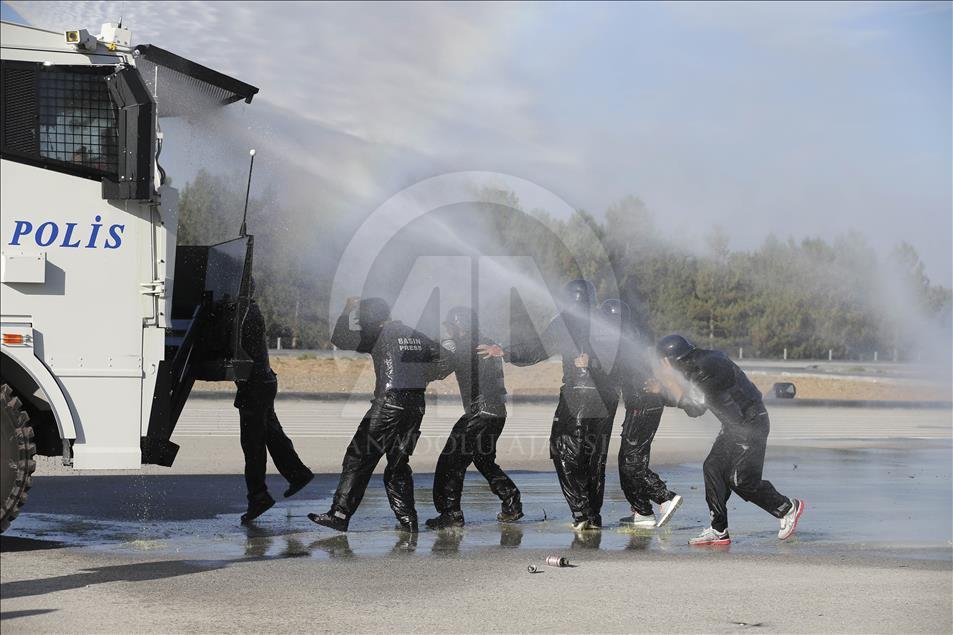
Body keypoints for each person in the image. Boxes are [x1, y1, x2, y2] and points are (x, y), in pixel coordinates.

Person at [479, 279, 614, 530]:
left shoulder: (565, 322)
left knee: (563, 450)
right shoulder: (607, 322)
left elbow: (536, 350)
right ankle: (593, 515)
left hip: (578, 396)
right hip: (607, 400)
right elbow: (624, 355)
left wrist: (505, 351)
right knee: (595, 457)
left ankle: (582, 513)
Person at [653, 334, 804, 545]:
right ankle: (718, 530)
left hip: (751, 425)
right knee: (713, 468)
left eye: (664, 364)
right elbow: (696, 401)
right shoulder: (698, 363)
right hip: (734, 426)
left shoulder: (705, 369)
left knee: (741, 480)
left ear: (673, 361)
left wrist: (669, 382)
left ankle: (787, 508)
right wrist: (664, 390)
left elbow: (694, 408)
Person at [308, 297, 443, 533]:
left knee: (358, 457)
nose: (360, 325)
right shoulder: (416, 335)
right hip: (416, 407)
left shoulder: (377, 333)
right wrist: (423, 376)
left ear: (371, 318)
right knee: (398, 464)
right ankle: (409, 521)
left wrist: (347, 310)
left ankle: (339, 515)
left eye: (361, 319)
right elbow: (443, 357)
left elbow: (340, 338)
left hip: (388, 406)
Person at [426, 307, 522, 529]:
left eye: (450, 327)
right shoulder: (487, 343)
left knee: (450, 462)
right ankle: (512, 502)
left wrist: (442, 349)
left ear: (459, 327)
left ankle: (451, 514)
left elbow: (437, 372)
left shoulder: (465, 346)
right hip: (497, 413)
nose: (448, 331)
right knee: (483, 459)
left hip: (479, 414)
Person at [596, 299, 682, 529]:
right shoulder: (633, 336)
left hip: (642, 407)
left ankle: (664, 497)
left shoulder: (623, 341)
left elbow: (611, 370)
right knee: (628, 460)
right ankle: (642, 512)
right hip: (642, 405)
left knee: (631, 462)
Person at [234, 287, 313, 524]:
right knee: (271, 434)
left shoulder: (245, 311)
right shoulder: (250, 309)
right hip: (261, 382)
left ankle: (259, 496)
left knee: (253, 445)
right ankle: (297, 473)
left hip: (255, 385)